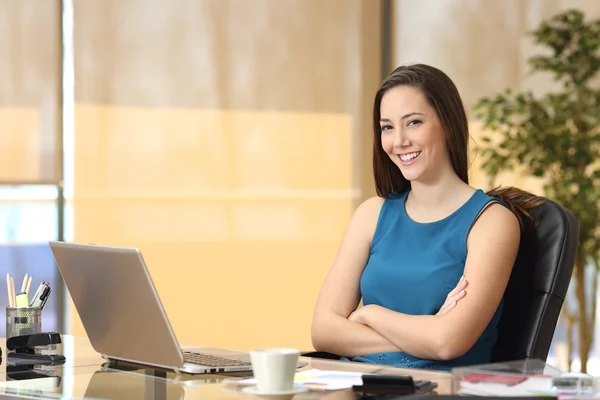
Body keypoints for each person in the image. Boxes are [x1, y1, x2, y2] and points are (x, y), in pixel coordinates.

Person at [311, 63, 544, 371]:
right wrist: (427, 331)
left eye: (414, 122)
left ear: (447, 123)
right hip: (358, 385)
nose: (399, 141)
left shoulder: (491, 222)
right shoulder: (371, 214)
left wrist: (370, 316)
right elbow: (323, 330)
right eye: (387, 127)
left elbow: (448, 343)